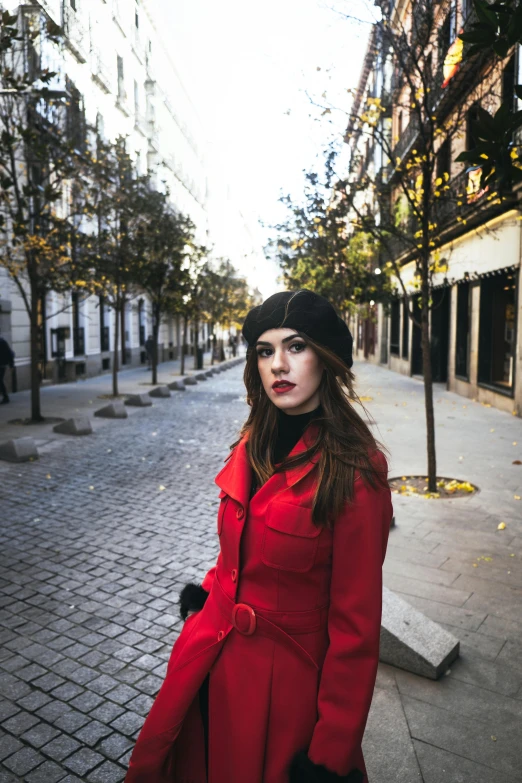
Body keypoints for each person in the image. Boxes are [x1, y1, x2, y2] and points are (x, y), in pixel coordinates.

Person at [125, 289, 393, 783]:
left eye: (296, 347)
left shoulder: (357, 471)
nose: (278, 365)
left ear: (326, 358)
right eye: (265, 351)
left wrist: (330, 754)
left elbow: (356, 632)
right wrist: (207, 596)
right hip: (212, 657)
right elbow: (238, 548)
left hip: (285, 689)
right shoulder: (252, 441)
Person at [0, 334, 15, 404]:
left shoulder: (2, 342)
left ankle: (6, 397)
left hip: (1, 365)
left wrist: (11, 365)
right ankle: (5, 396)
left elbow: (9, 353)